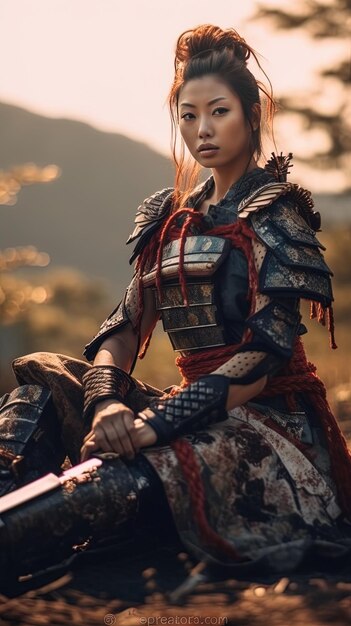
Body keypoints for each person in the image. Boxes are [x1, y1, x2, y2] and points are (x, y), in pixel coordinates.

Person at [1, 24, 351, 587]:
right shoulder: (169, 216)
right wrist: (107, 407)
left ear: (250, 115)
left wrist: (151, 427)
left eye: (218, 112)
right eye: (188, 116)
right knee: (39, 388)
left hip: (267, 427)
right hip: (181, 407)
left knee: (103, 488)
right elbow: (123, 326)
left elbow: (264, 355)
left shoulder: (277, 214)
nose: (202, 129)